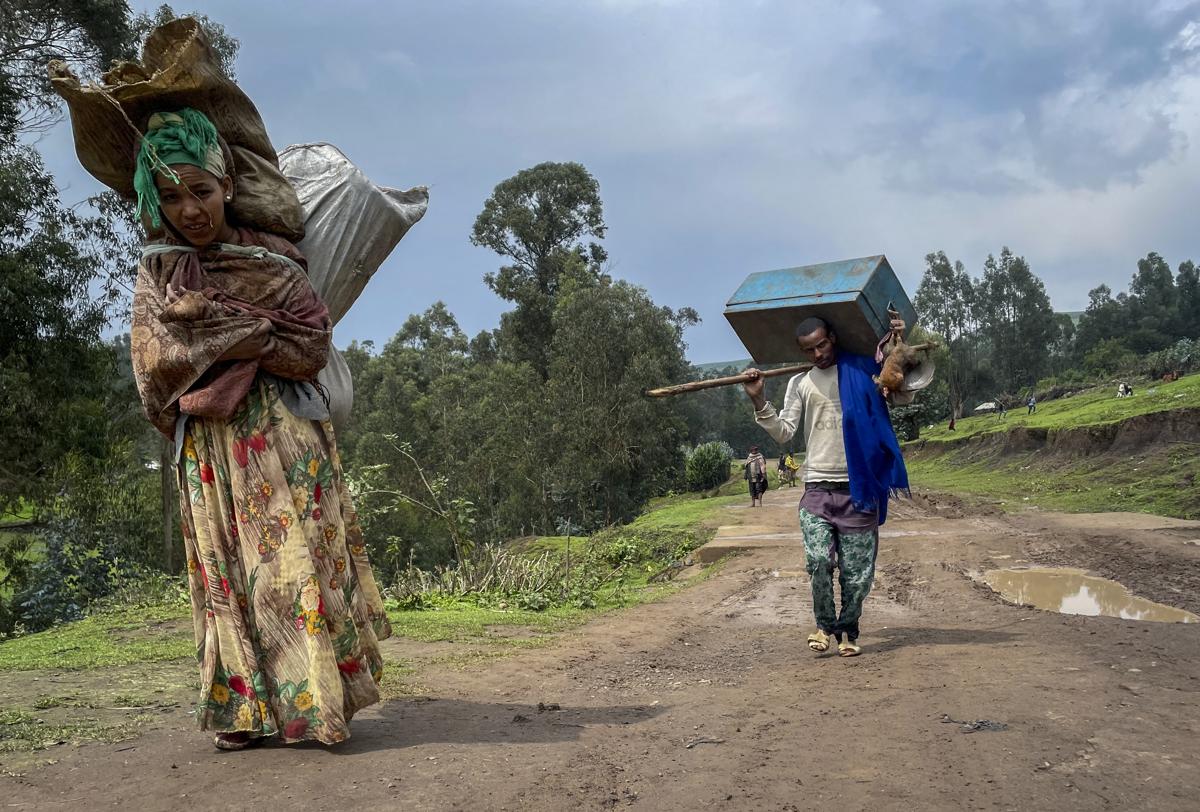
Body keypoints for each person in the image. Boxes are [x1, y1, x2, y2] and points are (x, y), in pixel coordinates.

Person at [128, 109, 392, 750]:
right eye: (169, 196)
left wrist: (230, 333)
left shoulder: (272, 260)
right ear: (152, 202)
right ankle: (243, 715)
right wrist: (248, 333)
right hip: (212, 453)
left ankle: (318, 703)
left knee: (292, 568)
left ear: (225, 185)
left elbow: (309, 344)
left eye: (200, 190)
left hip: (284, 438)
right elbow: (156, 368)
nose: (189, 209)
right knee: (229, 578)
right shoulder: (158, 275)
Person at [742, 315, 909, 657]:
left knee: (858, 575)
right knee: (819, 560)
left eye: (822, 345)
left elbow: (901, 394)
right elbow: (785, 431)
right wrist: (759, 400)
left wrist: (896, 342)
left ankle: (848, 630)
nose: (818, 354)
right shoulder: (801, 383)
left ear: (832, 337)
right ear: (802, 352)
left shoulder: (864, 372)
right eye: (809, 350)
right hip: (817, 489)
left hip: (859, 489)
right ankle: (823, 624)